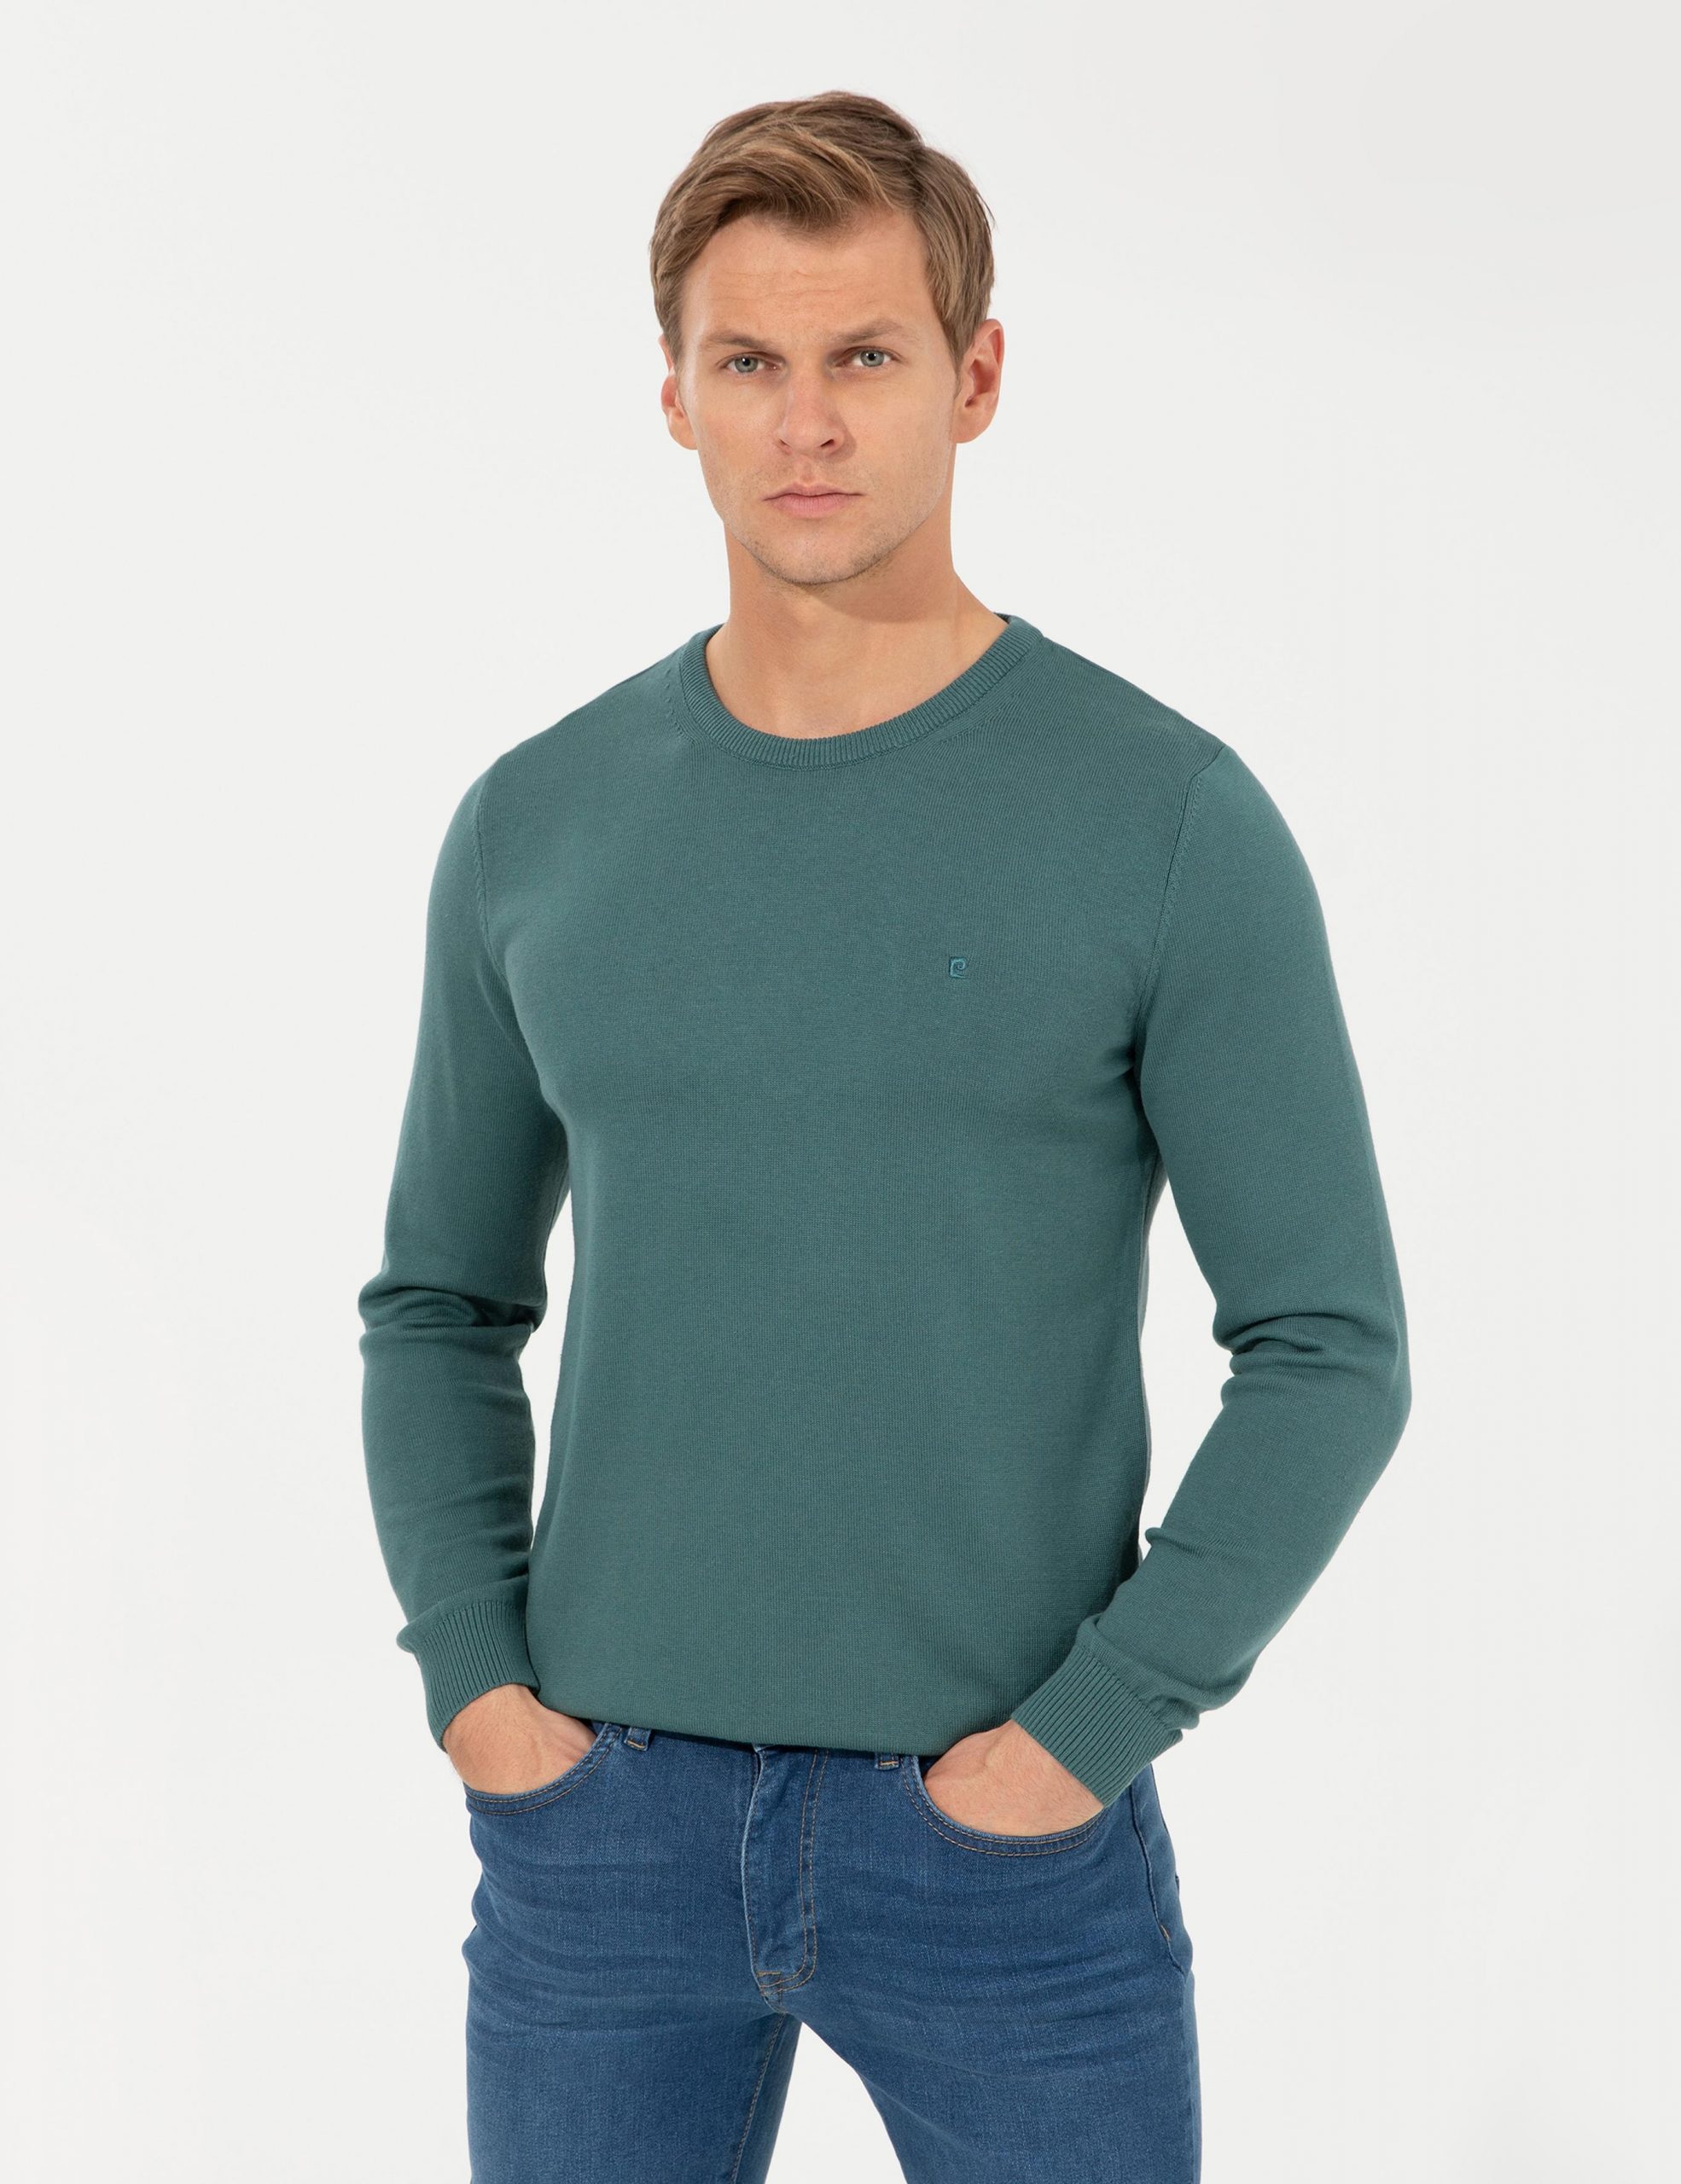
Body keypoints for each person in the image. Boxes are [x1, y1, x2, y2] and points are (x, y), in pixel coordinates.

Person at [357, 88, 1411, 2184]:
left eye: (865, 354)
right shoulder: (536, 823)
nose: (808, 420)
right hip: (600, 1836)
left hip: (1001, 1845)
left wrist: (1083, 1737)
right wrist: (480, 1687)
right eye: (749, 360)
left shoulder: (1164, 818)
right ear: (673, 395)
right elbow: (440, 1301)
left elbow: (1328, 1345)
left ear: (974, 376)